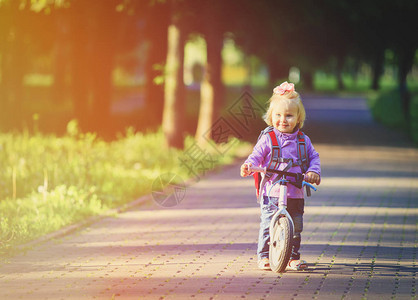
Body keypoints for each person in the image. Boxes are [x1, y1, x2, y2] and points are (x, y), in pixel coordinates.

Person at [240, 81, 321, 271]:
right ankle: (264, 255)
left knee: (296, 228)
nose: (283, 120)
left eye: (289, 116)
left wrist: (313, 171)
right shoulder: (268, 138)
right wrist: (250, 166)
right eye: (278, 115)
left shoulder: (303, 141)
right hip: (272, 191)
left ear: (298, 118)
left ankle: (293, 257)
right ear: (271, 116)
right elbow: (256, 155)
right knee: (268, 224)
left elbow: (313, 158)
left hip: (295, 192)